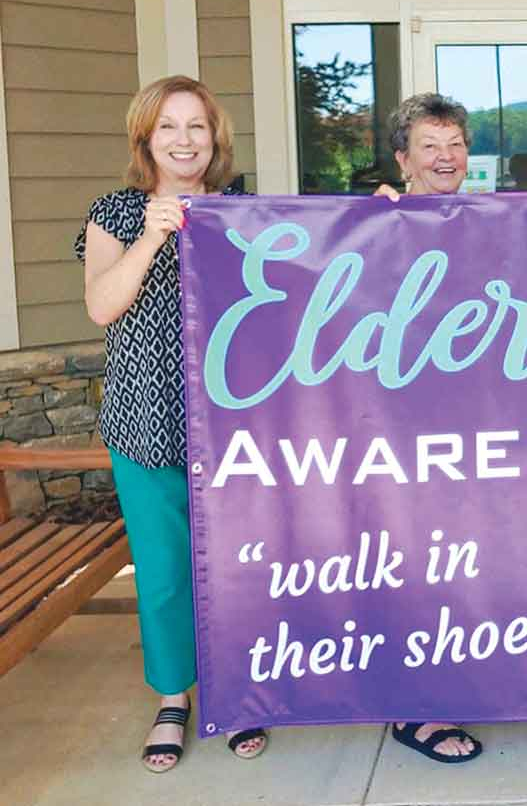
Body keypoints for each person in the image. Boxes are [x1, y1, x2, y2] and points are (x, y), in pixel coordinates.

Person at [75, 75, 268, 772]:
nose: (185, 140)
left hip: (238, 429)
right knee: (163, 572)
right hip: (145, 423)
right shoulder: (116, 212)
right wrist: (153, 236)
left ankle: (237, 690)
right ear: (146, 139)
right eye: (169, 127)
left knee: (241, 571)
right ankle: (174, 697)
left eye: (197, 126)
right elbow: (102, 305)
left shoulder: (246, 209)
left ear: (216, 137)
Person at [374, 92, 484, 764]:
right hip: (405, 431)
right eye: (430, 147)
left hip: (480, 429)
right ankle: (415, 707)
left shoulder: (491, 218)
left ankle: (464, 684)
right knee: (416, 562)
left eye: (455, 145)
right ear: (403, 159)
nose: (445, 158)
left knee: (468, 564)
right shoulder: (376, 224)